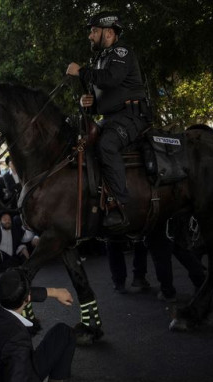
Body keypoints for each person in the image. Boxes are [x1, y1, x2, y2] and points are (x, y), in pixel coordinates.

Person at [66, 11, 150, 229]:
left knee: (107, 144)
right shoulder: (101, 58)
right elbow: (104, 97)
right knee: (83, 145)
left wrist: (82, 72)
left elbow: (111, 79)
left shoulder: (121, 52)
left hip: (131, 117)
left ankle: (120, 205)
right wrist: (89, 102)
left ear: (109, 32)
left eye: (94, 31)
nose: (90, 36)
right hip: (111, 118)